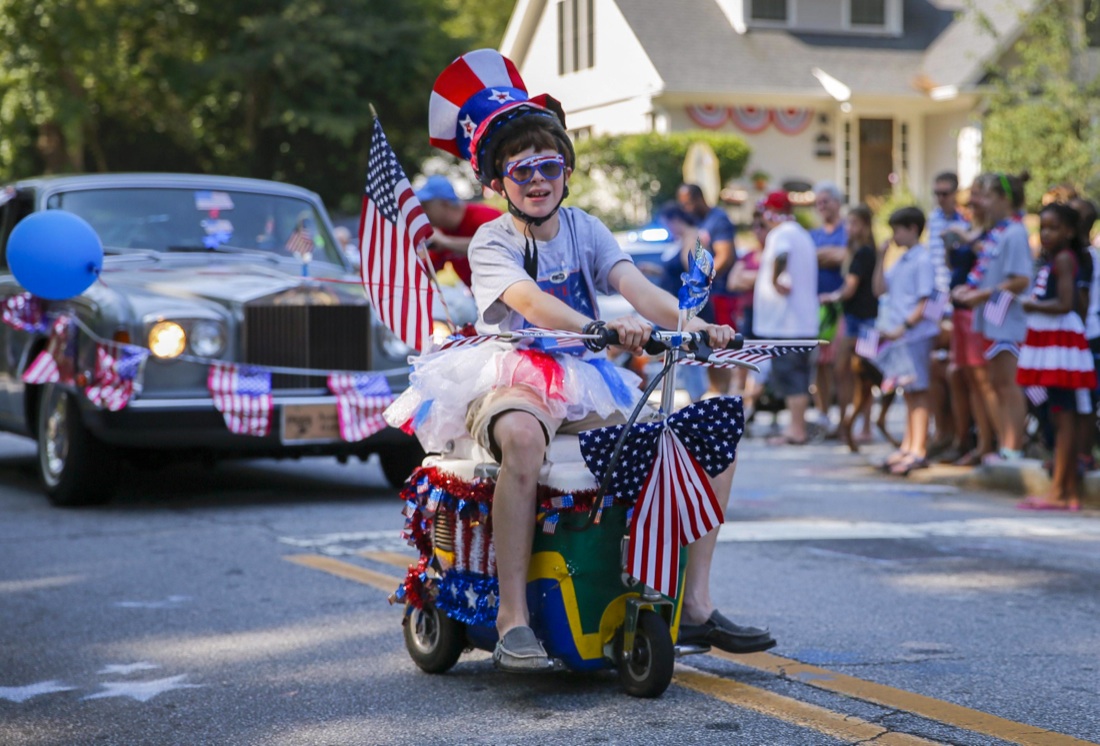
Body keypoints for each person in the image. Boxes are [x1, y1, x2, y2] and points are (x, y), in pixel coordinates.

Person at [392, 49, 774, 672]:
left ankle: (694, 604)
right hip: (513, 373)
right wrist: (596, 327)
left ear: (566, 170)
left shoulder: (585, 227)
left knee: (709, 438)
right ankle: (513, 618)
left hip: (586, 382)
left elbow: (636, 287)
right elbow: (529, 301)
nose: (537, 179)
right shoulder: (491, 240)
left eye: (548, 165)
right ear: (497, 182)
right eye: (520, 170)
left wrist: (694, 323)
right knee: (521, 439)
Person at [1016, 202, 1096, 511]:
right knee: (1061, 414)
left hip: (1061, 345)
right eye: (1043, 228)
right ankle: (1066, 490)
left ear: (1070, 231)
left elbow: (1065, 303)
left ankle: (1060, 492)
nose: (1046, 234)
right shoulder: (1058, 258)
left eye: (1054, 228)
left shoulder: (1063, 259)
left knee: (1064, 416)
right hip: (1054, 342)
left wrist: (1031, 305)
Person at [951, 172, 1033, 464]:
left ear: (1004, 199)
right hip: (993, 321)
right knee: (997, 382)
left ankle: (1013, 447)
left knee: (1008, 384)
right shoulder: (998, 233)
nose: (982, 203)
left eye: (987, 197)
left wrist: (981, 295)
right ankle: (1005, 445)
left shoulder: (1015, 233)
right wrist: (970, 289)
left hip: (1009, 322)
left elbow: (1021, 279)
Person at [752, 190, 819, 445]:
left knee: (792, 378)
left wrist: (774, 279)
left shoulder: (782, 234)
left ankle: (796, 430)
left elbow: (781, 255)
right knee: (797, 377)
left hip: (786, 324)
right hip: (799, 322)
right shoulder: (801, 233)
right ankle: (796, 427)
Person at [874, 206, 937, 476]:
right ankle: (908, 445)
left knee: (918, 391)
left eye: (897, 230)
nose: (894, 236)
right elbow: (880, 289)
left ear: (913, 229)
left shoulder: (922, 260)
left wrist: (905, 327)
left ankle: (918, 449)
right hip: (901, 335)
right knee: (908, 392)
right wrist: (881, 257)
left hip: (915, 335)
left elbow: (925, 301)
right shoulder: (901, 260)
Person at [941, 185, 996, 466]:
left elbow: (988, 260)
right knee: (964, 377)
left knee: (982, 379)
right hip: (959, 310)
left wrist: (965, 238)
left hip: (977, 312)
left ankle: (993, 444)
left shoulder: (993, 233)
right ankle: (971, 442)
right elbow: (955, 266)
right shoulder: (967, 230)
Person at [820, 204, 879, 452]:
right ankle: (851, 424)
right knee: (853, 373)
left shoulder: (864, 252)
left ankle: (856, 425)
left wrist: (831, 297)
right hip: (858, 318)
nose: (848, 228)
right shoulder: (857, 250)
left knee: (854, 373)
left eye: (853, 223)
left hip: (861, 321)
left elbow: (850, 288)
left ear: (864, 225)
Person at [677, 183, 737, 398]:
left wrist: (703, 281)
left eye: (688, 203)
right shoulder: (699, 222)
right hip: (706, 298)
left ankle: (724, 398)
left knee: (719, 349)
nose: (686, 209)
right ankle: (717, 397)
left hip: (720, 295)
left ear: (699, 198)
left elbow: (725, 256)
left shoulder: (718, 219)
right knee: (707, 349)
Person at [810, 182, 850, 433]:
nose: (822, 206)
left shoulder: (848, 230)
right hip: (817, 307)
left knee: (841, 365)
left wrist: (822, 255)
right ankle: (823, 415)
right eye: (818, 202)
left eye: (826, 201)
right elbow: (807, 259)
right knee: (820, 363)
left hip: (842, 307)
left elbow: (845, 256)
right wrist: (829, 254)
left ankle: (845, 419)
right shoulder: (813, 234)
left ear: (837, 202)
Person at [415, 174, 503, 286]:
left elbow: (499, 246)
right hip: (480, 294)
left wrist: (446, 242)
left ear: (445, 204)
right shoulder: (442, 232)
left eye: (425, 206)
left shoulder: (485, 216)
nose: (423, 212)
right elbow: (424, 275)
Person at [1070, 196, 1100, 473]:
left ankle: (1083, 454)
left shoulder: (1087, 258)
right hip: (1081, 334)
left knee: (1086, 397)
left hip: (1089, 335)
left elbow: (1083, 299)